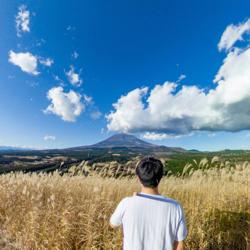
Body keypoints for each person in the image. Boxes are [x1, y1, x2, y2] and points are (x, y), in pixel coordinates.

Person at [109, 156, 188, 250]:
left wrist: (133, 200)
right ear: (160, 177)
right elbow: (179, 243)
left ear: (138, 178)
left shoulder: (126, 203)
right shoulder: (176, 207)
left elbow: (113, 224)